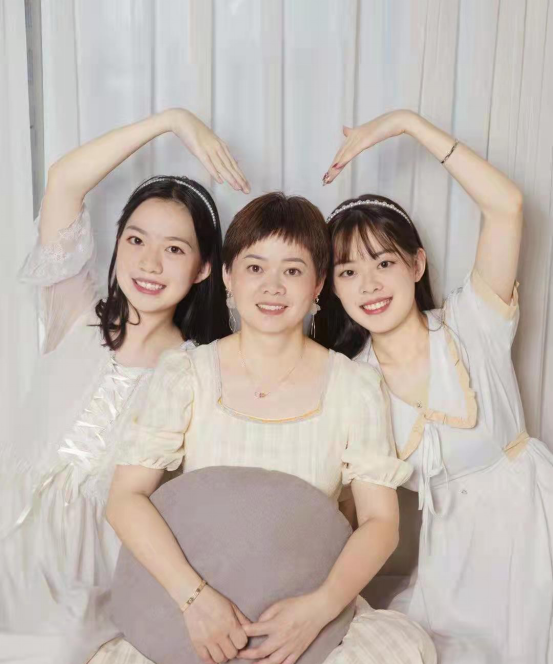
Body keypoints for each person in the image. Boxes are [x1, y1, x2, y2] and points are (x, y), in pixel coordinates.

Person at [91, 192, 436, 665]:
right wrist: (195, 601)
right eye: (255, 267)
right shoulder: (185, 374)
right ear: (227, 276)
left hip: (308, 613)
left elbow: (380, 523)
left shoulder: (355, 386)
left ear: (318, 284)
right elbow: (125, 499)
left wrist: (319, 609)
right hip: (191, 611)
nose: (272, 286)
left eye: (292, 271)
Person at [0, 108, 249, 664]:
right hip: (8, 543)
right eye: (136, 240)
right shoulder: (73, 314)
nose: (150, 262)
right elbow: (65, 180)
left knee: (59, 647)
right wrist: (171, 121)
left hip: (89, 578)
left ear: (204, 269)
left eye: (175, 249)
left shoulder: (197, 371)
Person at [318, 109, 553, 663]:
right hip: (452, 568)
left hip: (537, 533)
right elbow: (348, 511)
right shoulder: (354, 384)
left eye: (384, 262)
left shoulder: (472, 323)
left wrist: (406, 123)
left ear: (417, 264)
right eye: (348, 272)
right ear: (332, 289)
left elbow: (507, 205)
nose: (369, 284)